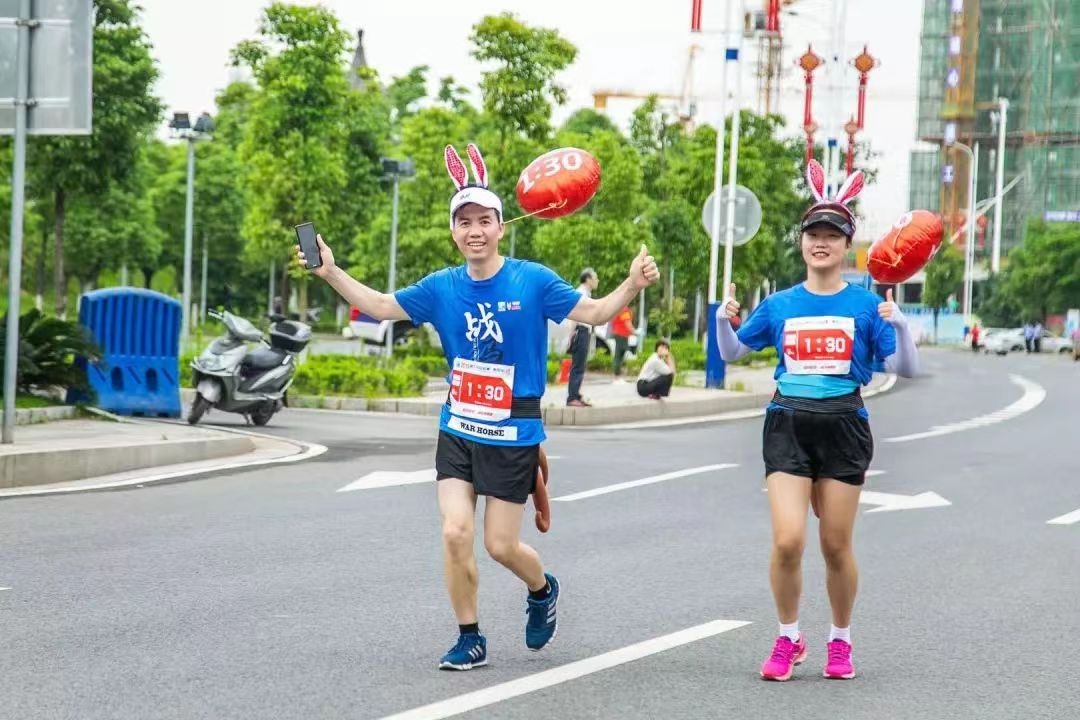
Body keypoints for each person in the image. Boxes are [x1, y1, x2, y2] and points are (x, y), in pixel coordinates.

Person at [296, 143, 660, 671]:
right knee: (454, 530)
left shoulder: (532, 280)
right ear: (453, 231)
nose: (474, 231)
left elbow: (596, 312)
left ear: (500, 226)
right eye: (463, 221)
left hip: (514, 429)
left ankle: (541, 588)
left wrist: (631, 282)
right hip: (460, 425)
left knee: (500, 546)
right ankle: (469, 636)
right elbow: (378, 306)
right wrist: (330, 271)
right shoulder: (441, 287)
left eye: (484, 220)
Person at [714, 161, 918, 682]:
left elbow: (902, 368)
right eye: (813, 234)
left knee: (834, 544)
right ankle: (788, 637)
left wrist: (904, 328)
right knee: (787, 541)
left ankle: (841, 640)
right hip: (787, 423)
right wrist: (722, 321)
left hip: (844, 423)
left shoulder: (869, 306)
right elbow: (735, 352)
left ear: (847, 245)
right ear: (802, 242)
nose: (821, 242)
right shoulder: (781, 303)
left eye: (832, 234)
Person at [566, 268, 599, 406]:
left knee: (581, 364)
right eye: (595, 277)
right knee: (578, 365)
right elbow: (574, 314)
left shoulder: (586, 293)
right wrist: (571, 335)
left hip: (584, 331)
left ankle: (576, 394)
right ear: (588, 279)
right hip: (580, 331)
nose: (597, 280)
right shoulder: (580, 293)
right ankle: (572, 397)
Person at [610, 305, 635, 381]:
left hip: (617, 333)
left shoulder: (618, 308)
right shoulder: (624, 310)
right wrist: (635, 331)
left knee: (619, 354)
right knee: (621, 354)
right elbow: (627, 323)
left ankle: (617, 374)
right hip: (622, 334)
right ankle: (617, 375)